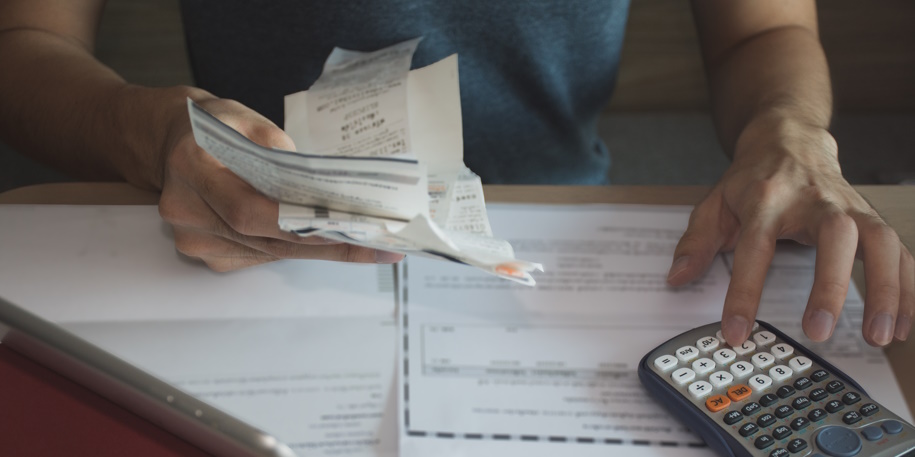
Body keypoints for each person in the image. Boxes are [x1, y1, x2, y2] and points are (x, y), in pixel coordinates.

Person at [0, 1, 911, 348]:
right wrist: (150, 131)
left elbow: (762, 31)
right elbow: (27, 45)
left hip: (561, 251)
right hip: (234, 239)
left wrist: (790, 133)